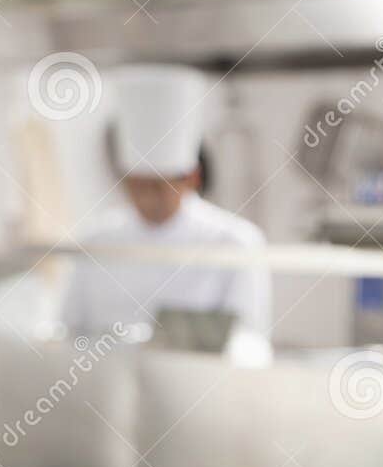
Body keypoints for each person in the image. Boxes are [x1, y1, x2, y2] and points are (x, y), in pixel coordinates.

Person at [61, 64, 272, 364]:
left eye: (160, 186)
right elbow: (70, 330)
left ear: (192, 178)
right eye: (137, 185)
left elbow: (250, 340)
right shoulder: (96, 240)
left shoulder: (236, 241)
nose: (147, 198)